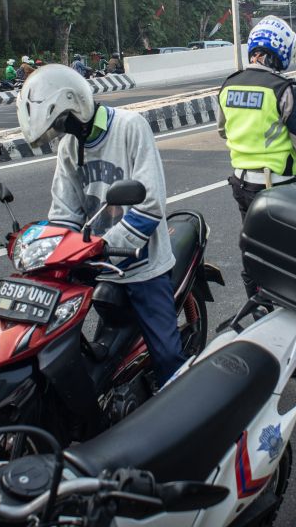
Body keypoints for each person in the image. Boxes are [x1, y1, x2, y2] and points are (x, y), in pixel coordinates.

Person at [18, 64, 185, 385]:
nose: (60, 132)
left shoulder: (131, 127)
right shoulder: (69, 147)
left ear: (73, 106)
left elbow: (149, 205)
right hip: (96, 263)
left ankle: (184, 419)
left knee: (167, 356)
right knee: (76, 348)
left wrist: (103, 246)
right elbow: (65, 210)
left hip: (143, 267)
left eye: (61, 123)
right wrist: (51, 249)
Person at [217, 17, 296, 296]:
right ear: (280, 51)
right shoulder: (282, 88)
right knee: (289, 251)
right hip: (277, 187)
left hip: (241, 184)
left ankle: (258, 306)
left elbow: (224, 131)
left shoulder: (229, 85)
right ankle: (289, 308)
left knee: (253, 246)